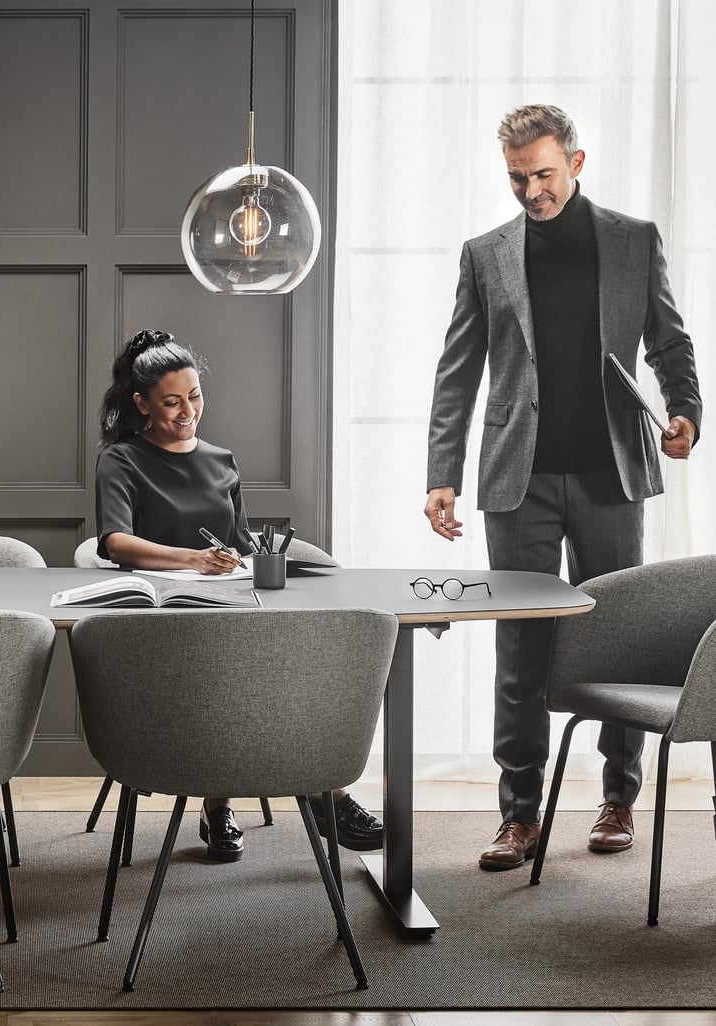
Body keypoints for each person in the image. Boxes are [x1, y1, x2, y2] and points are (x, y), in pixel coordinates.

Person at [424, 105, 702, 871]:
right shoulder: (486, 254)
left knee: (623, 637)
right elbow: (459, 369)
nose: (531, 191)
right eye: (517, 177)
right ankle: (519, 816)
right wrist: (440, 474)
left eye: (543, 173)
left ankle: (618, 798)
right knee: (523, 649)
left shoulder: (633, 240)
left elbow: (670, 342)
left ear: (577, 162)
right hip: (519, 480)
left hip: (612, 473)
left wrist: (684, 412)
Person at [96, 328, 384, 861]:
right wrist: (192, 559)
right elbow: (115, 542)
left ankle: (292, 795)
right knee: (240, 670)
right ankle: (309, 798)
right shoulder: (122, 460)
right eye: (172, 402)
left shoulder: (222, 459)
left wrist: (241, 558)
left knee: (288, 663)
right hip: (163, 619)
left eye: (195, 396)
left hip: (228, 605)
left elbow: (240, 542)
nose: (188, 412)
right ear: (141, 403)